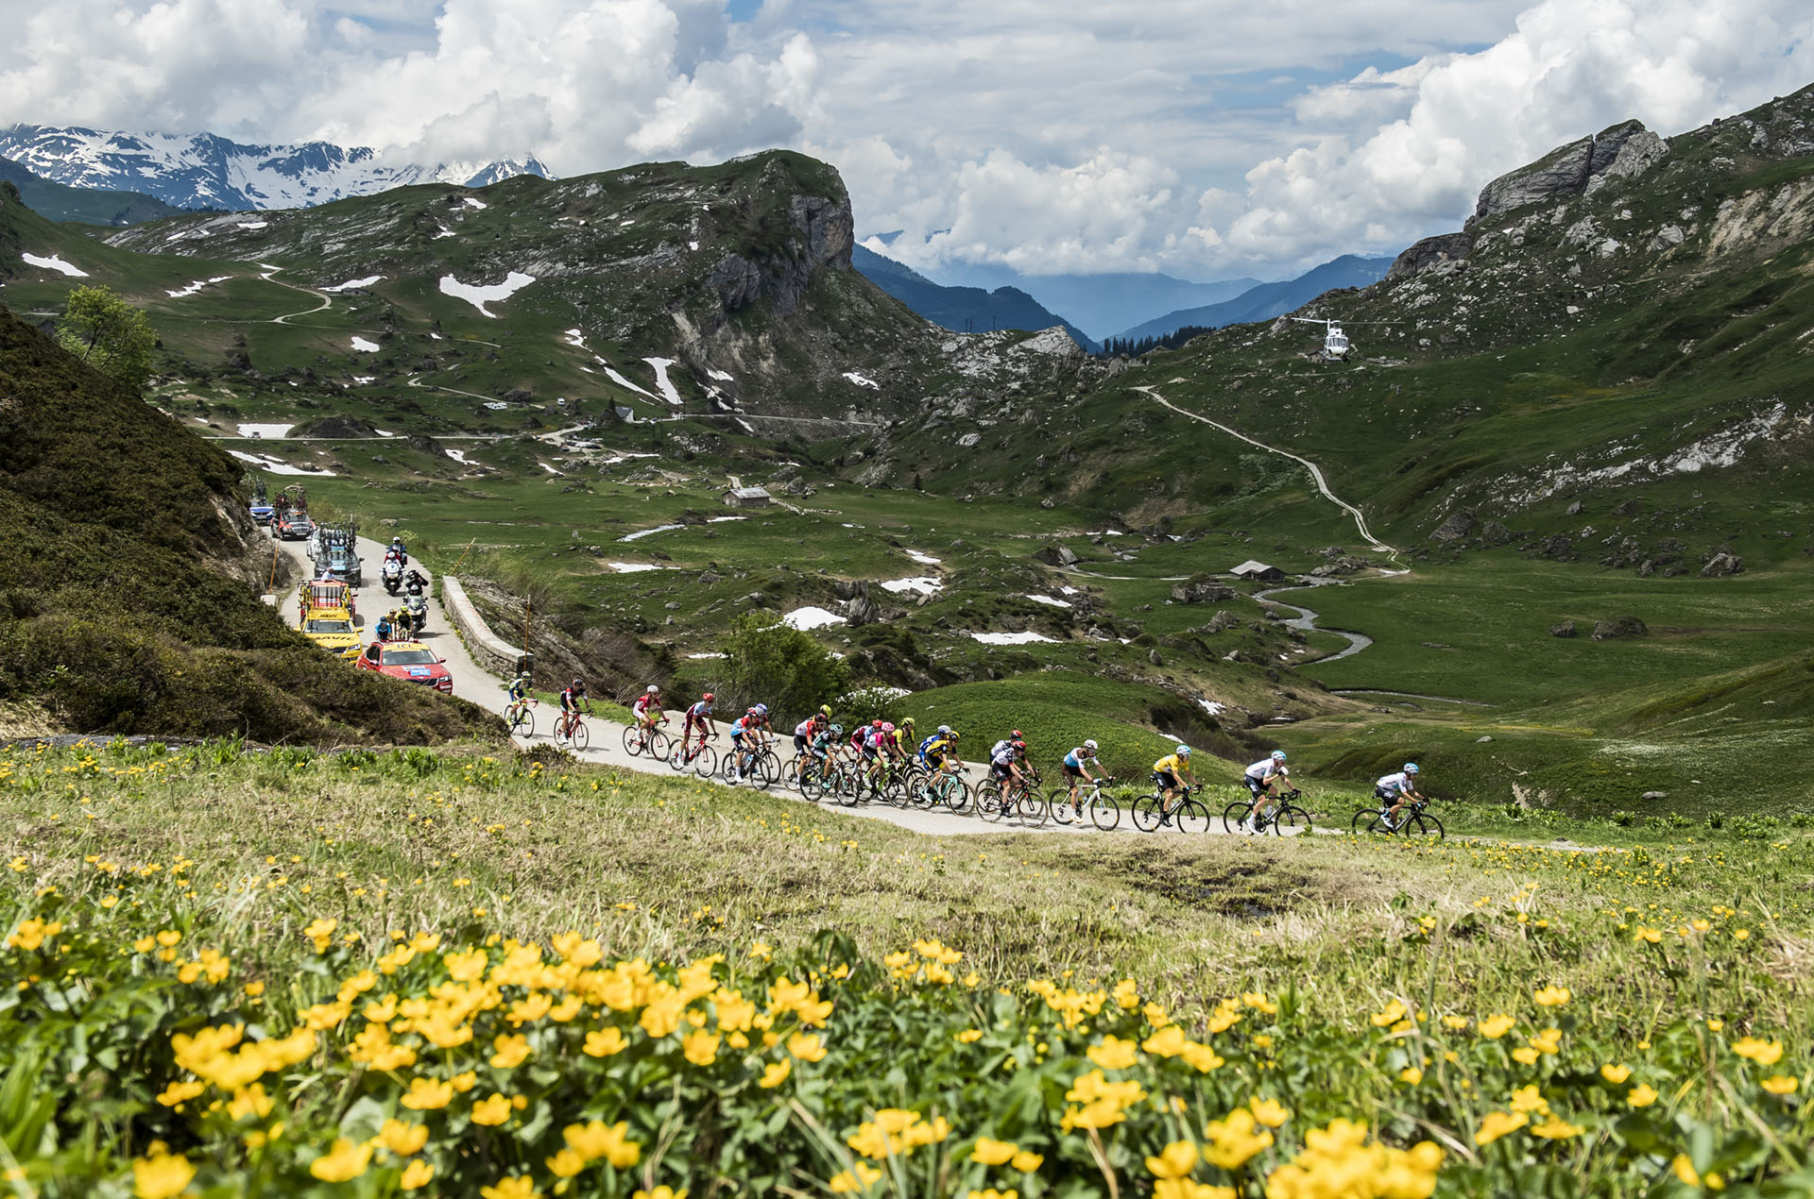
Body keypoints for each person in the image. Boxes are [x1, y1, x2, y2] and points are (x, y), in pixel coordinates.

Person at [1242, 750, 1291, 829]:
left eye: (1283, 762)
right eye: (1282, 762)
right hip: (1250, 777)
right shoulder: (1270, 765)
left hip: (1257, 778)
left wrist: (1294, 789)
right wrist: (1277, 775)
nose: (1283, 764)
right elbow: (1265, 782)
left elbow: (1284, 779)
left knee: (1274, 791)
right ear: (1276, 760)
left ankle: (1268, 813)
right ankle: (1250, 820)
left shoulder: (1276, 765)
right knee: (1262, 800)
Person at [1151, 745, 1197, 824]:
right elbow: (1175, 775)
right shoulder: (1174, 760)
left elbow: (1189, 775)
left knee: (1178, 791)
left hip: (1166, 773)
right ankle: (1164, 817)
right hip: (1158, 771)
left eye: (1189, 756)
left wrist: (1197, 784)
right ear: (1181, 755)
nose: (1188, 758)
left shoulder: (1185, 762)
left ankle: (1166, 804)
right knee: (1169, 794)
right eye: (1187, 756)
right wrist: (1186, 786)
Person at [1376, 763, 1424, 828]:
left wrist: (1423, 799)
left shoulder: (1409, 780)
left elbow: (1413, 792)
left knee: (1395, 812)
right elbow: (1404, 793)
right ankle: (1385, 816)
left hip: (1389, 790)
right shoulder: (1401, 778)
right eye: (1414, 774)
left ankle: (1391, 830)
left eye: (1416, 774)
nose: (1415, 776)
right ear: (1408, 773)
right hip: (1381, 788)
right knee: (1402, 801)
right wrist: (1416, 802)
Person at [1062, 739, 1104, 811]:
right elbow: (1082, 770)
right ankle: (1073, 815)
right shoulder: (1080, 753)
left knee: (1088, 778)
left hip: (1075, 768)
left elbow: (1098, 765)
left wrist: (1108, 776)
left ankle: (1079, 796)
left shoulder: (1090, 754)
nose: (1093, 753)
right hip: (1067, 769)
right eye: (1092, 751)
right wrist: (1091, 779)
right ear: (1086, 749)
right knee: (1074, 791)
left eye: (1094, 751)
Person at [990, 738, 1028, 812]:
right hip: (997, 766)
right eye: (1022, 750)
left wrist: (1020, 774)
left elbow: (1013, 766)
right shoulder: (1010, 753)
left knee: (1017, 782)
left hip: (1004, 766)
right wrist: (1021, 777)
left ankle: (1005, 795)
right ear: (1017, 750)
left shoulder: (1015, 753)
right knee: (1007, 786)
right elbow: (1012, 768)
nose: (1023, 752)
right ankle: (1004, 809)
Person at [792, 710, 827, 782]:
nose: (823, 726)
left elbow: (823, 738)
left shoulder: (819, 726)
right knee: (804, 759)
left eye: (823, 724)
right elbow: (810, 742)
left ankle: (809, 766)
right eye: (822, 724)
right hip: (799, 737)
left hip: (805, 736)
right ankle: (798, 780)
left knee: (815, 753)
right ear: (817, 723)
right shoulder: (810, 725)